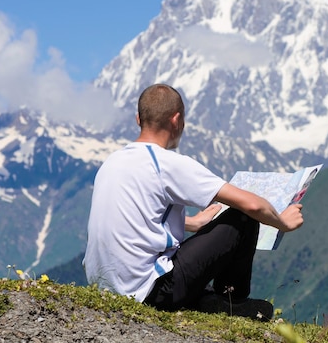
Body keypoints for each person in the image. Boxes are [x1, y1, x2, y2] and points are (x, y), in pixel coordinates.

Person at [83, 83, 304, 321]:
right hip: (149, 291)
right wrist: (282, 222)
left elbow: (133, 216)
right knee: (243, 217)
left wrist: (192, 223)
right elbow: (252, 205)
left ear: (139, 119)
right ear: (177, 120)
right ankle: (233, 303)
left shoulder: (112, 161)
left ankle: (205, 300)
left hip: (104, 285)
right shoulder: (166, 163)